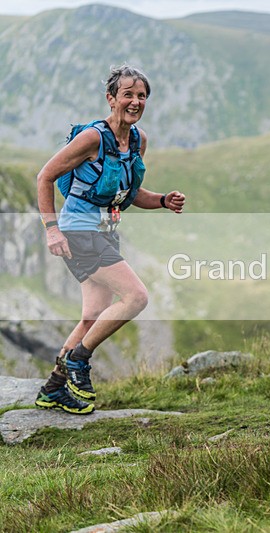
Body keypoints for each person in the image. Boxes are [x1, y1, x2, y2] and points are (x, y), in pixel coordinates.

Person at [35, 65, 186, 414]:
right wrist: (51, 229)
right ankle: (78, 360)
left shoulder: (137, 141)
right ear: (111, 98)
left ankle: (53, 389)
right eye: (128, 95)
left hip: (105, 232)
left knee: (92, 316)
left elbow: (128, 193)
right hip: (78, 231)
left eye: (142, 96)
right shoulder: (91, 138)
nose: (135, 102)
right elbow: (44, 177)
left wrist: (162, 200)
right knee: (136, 297)